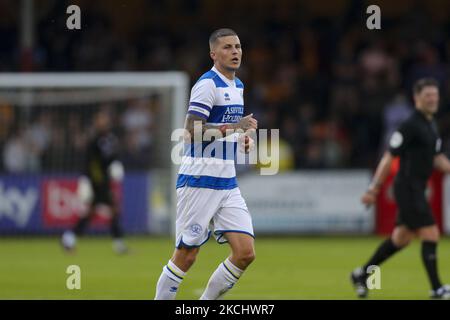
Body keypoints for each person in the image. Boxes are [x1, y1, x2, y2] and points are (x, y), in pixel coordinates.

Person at [154, 28, 258, 300]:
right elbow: (192, 129)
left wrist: (241, 140)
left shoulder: (238, 86)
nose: (234, 51)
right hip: (199, 179)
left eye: (237, 46)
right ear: (213, 54)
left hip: (227, 182)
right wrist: (236, 126)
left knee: (245, 252)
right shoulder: (207, 84)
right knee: (186, 256)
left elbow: (224, 132)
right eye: (227, 47)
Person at [351, 78, 450, 299]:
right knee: (431, 233)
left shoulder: (431, 124)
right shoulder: (410, 125)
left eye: (435, 95)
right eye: (428, 96)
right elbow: (388, 157)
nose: (433, 99)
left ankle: (362, 275)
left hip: (416, 188)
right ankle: (436, 288)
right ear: (417, 98)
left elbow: (436, 157)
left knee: (401, 238)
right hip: (407, 188)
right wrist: (374, 188)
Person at [61, 110, 128, 254]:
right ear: (97, 122)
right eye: (101, 119)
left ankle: (68, 238)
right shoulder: (94, 141)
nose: (104, 122)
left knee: (91, 213)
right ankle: (119, 244)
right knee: (113, 209)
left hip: (103, 181)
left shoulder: (111, 139)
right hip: (97, 182)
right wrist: (88, 180)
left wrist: (116, 164)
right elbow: (91, 163)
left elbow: (113, 156)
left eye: (105, 119)